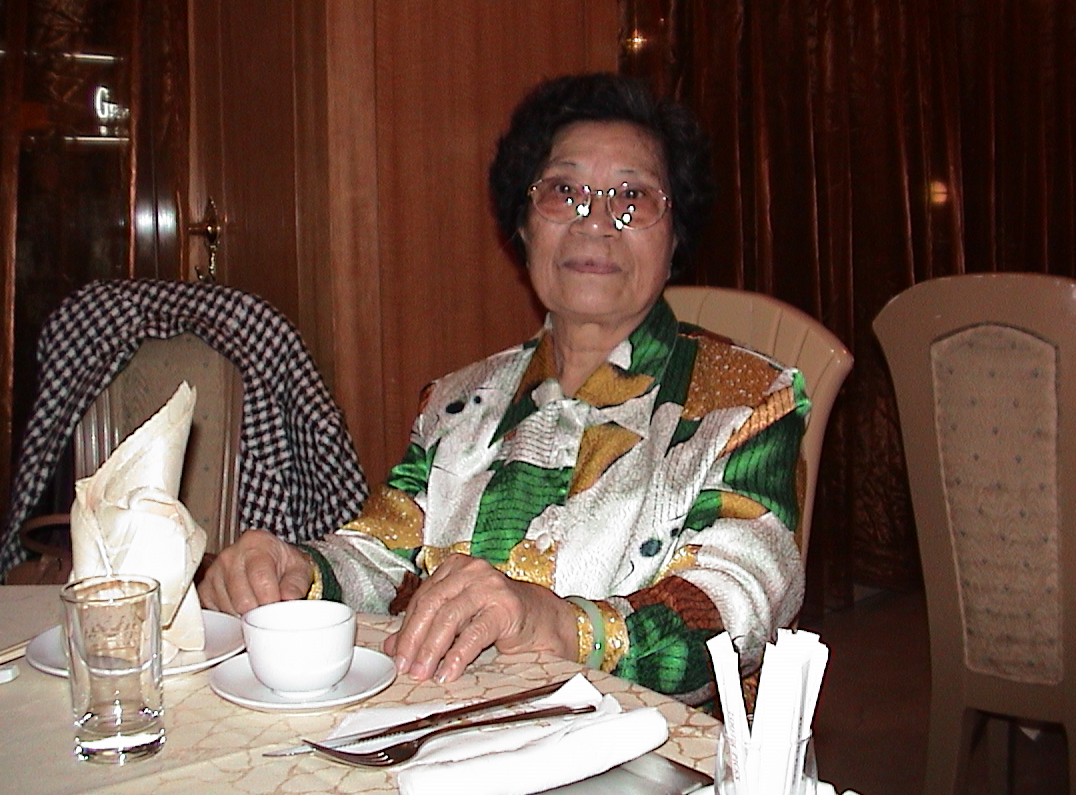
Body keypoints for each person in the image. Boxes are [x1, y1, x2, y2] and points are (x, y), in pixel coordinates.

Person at [199, 72, 808, 704]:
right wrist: (299, 572)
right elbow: (382, 555)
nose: (595, 222)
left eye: (633, 196)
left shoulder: (749, 400)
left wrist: (562, 627)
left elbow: (736, 605)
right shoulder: (457, 401)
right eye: (565, 192)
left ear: (675, 233)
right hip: (449, 730)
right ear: (524, 224)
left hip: (642, 742)